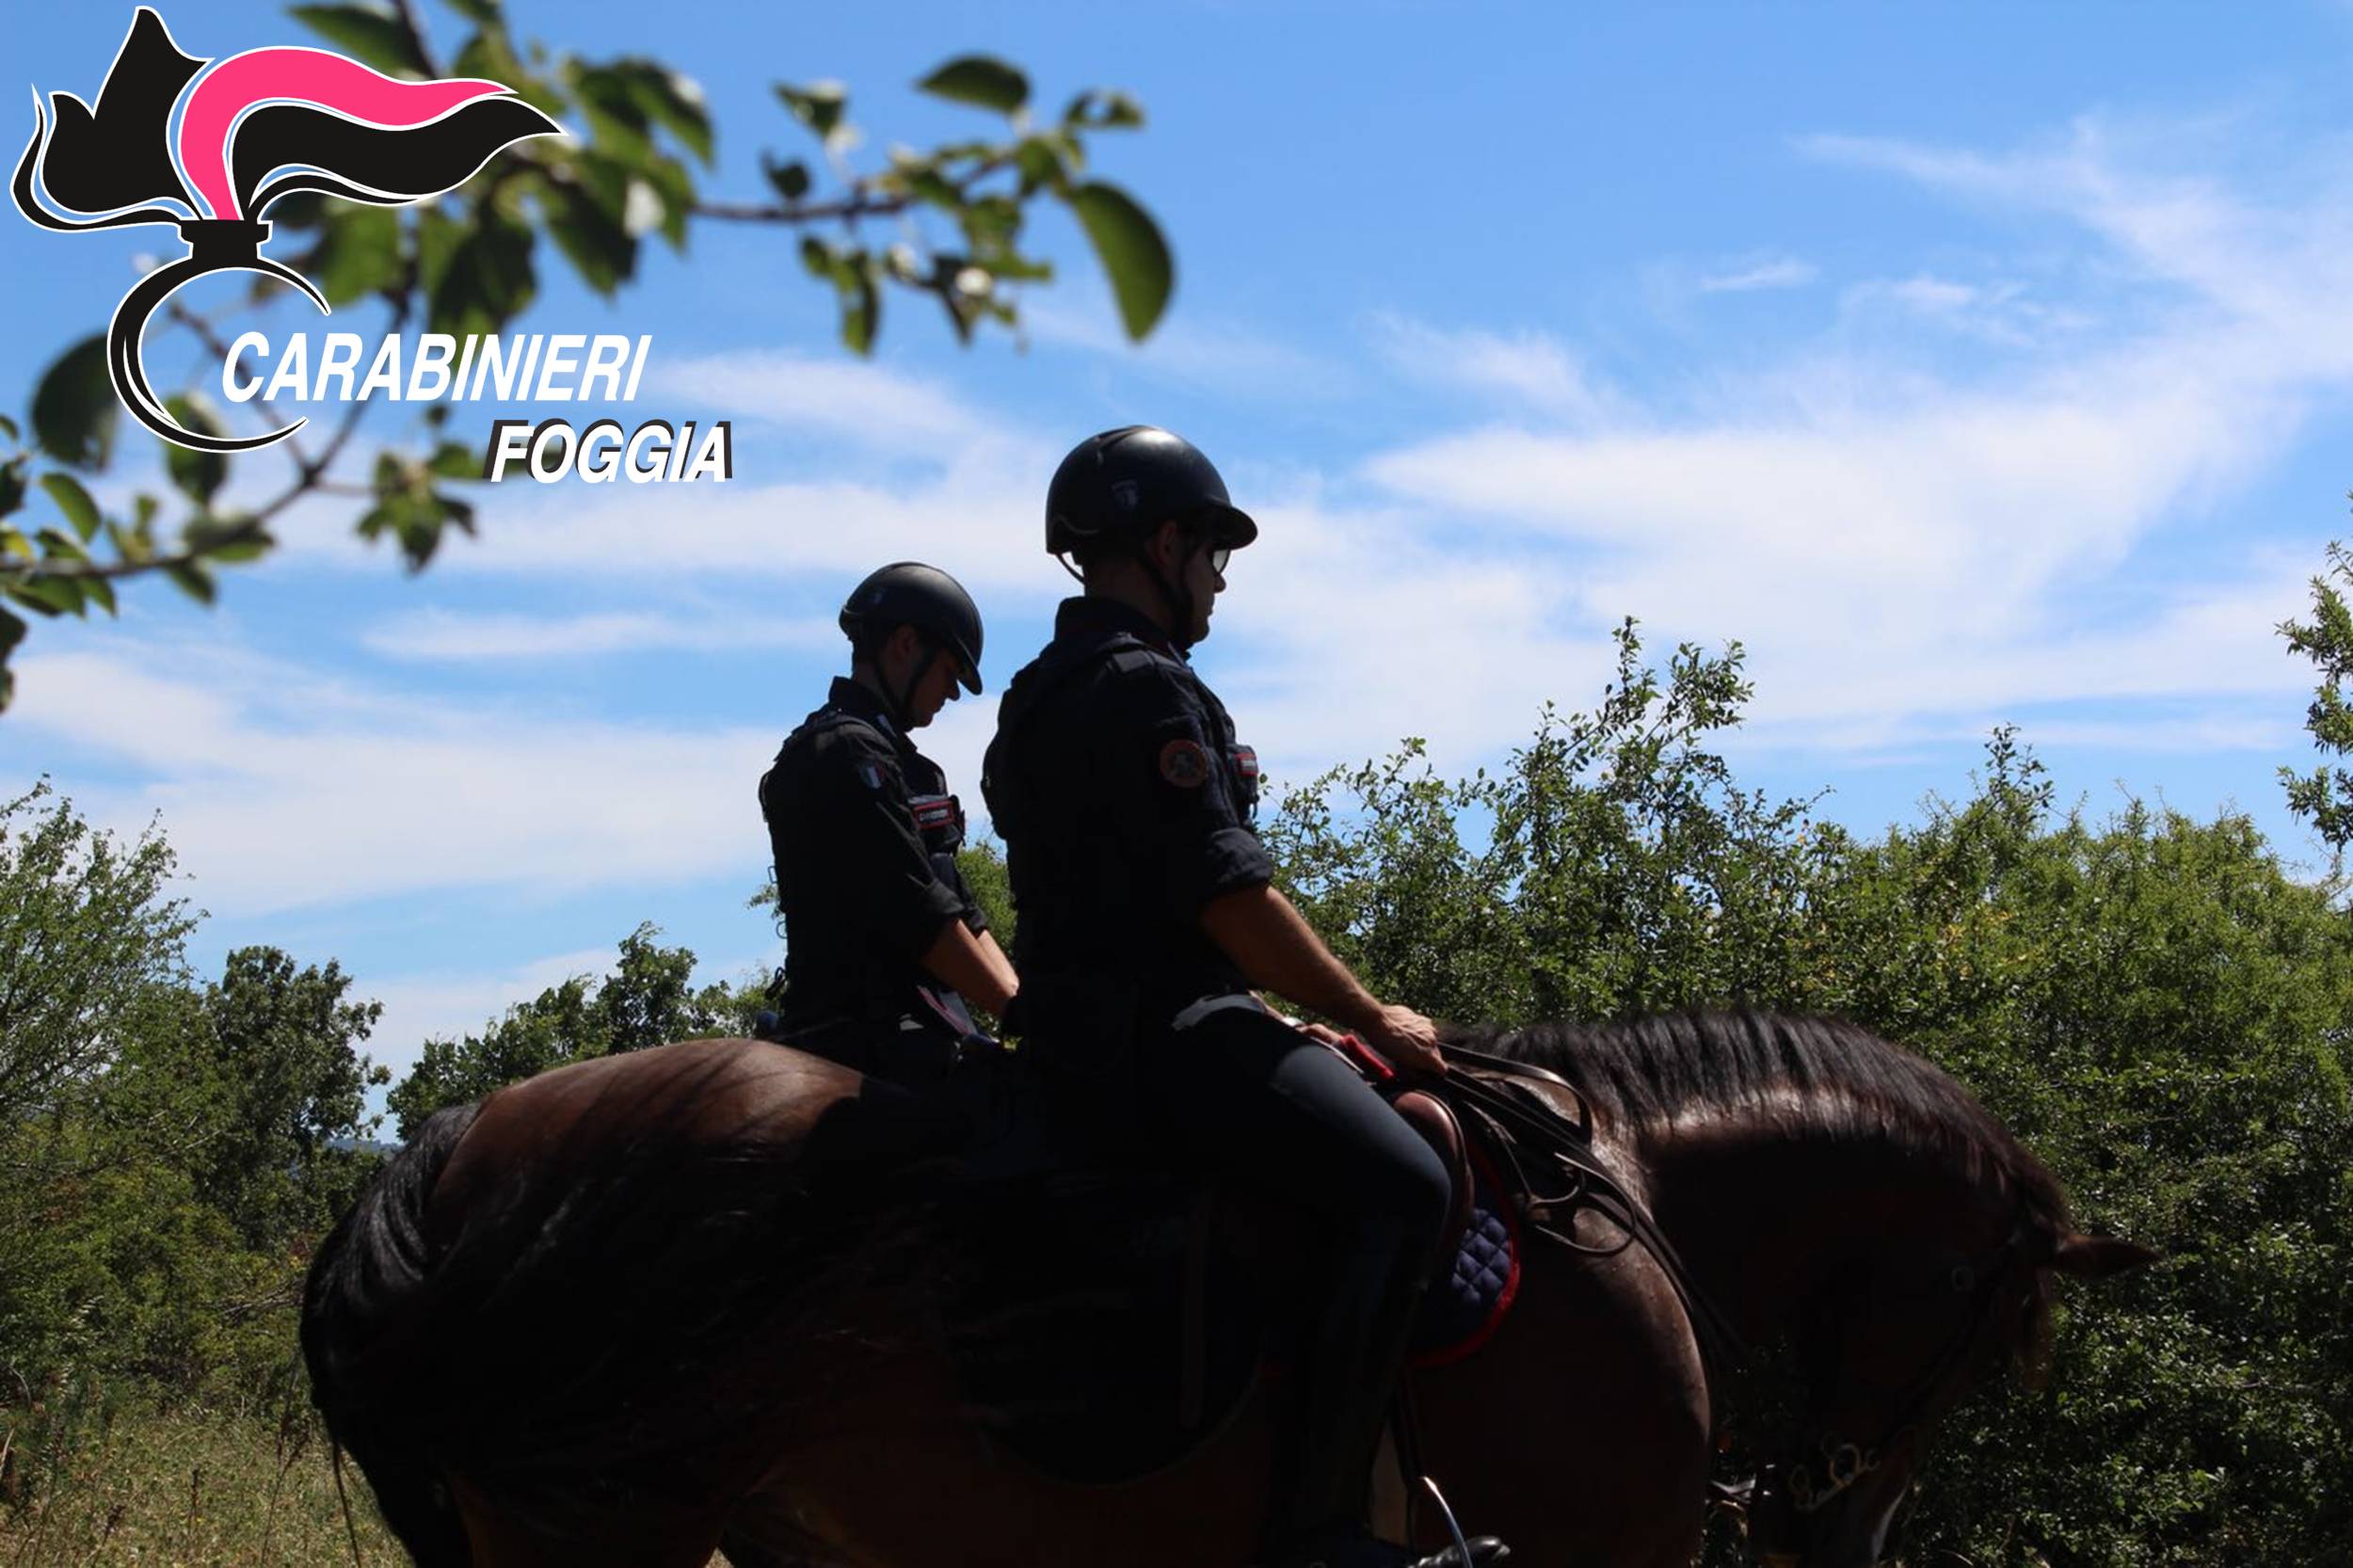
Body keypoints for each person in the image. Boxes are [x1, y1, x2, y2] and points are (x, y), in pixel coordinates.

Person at [982, 428, 1509, 1568]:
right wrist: (1371, 1017)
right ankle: (1319, 1529)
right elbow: (1228, 900)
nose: (1219, 581)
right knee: (1408, 1183)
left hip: (1070, 1041)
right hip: (1167, 1036)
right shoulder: (1146, 688)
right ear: (1166, 544)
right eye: (1212, 553)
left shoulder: (1033, 693)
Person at [757, 562, 1019, 1086]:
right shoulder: (844, 752)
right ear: (905, 645)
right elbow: (917, 913)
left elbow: (959, 911)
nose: (952, 694)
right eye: (949, 671)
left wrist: (1021, 1005)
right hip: (866, 1035)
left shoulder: (901, 763)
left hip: (923, 1023)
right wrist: (1020, 1015)